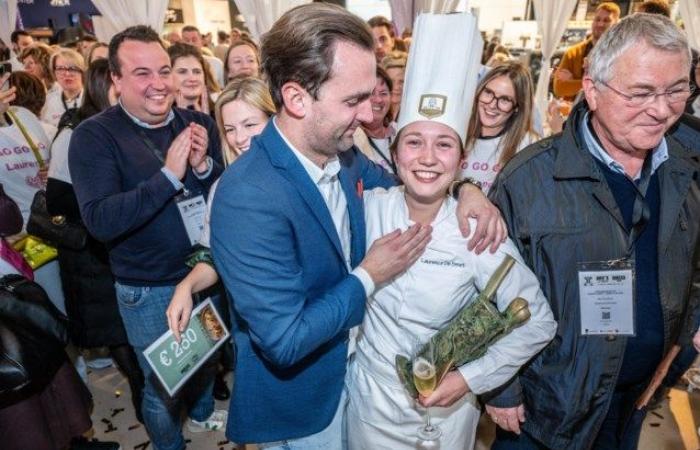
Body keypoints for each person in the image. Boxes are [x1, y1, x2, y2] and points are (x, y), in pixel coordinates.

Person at [210, 4, 506, 448]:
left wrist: (466, 187)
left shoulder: (343, 154)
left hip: (358, 383)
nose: (370, 115)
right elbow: (285, 341)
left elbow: (407, 181)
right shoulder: (247, 195)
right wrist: (370, 274)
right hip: (304, 407)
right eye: (353, 100)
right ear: (296, 98)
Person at [487, 14, 700, 450]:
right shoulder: (529, 180)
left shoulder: (689, 163)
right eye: (641, 92)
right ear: (593, 90)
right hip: (545, 409)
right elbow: (486, 292)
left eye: (677, 90)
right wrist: (500, 388)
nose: (661, 110)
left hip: (638, 398)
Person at [346, 12, 556, 450]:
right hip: (370, 401)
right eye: (414, 142)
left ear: (460, 159)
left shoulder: (475, 229)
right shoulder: (368, 209)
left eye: (443, 144)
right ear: (395, 152)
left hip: (443, 417)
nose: (427, 157)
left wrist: (468, 379)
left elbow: (538, 321)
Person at [68, 25, 226, 450]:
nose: (158, 84)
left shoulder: (198, 123)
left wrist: (205, 168)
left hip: (206, 274)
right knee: (163, 386)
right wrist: (167, 177)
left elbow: (224, 202)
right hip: (149, 288)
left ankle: (203, 413)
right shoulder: (94, 136)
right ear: (115, 80)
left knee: (208, 358)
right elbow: (100, 220)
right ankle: (168, 444)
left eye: (164, 70)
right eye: (142, 73)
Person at [46, 58, 145, 424]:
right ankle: (144, 403)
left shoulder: (131, 127)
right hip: (92, 254)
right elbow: (56, 198)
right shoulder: (77, 129)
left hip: (123, 248)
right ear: (105, 86)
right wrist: (108, 198)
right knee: (120, 338)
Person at [461, 61, 539, 193]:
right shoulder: (457, 132)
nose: (492, 105)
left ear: (517, 107)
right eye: (488, 93)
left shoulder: (528, 145)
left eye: (505, 100)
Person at [553, 2, 620, 101]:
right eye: (597, 19)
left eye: (606, 20)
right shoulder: (573, 53)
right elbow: (559, 88)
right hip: (574, 113)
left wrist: (574, 82)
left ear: (616, 24)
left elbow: (617, 90)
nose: (600, 24)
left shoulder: (620, 55)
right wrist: (596, 86)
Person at [352, 67, 396, 173]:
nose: (378, 99)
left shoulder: (400, 132)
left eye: (383, 93)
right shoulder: (350, 138)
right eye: (371, 93)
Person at [168, 42, 221, 114]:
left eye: (197, 72)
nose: (192, 78)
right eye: (182, 72)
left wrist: (208, 122)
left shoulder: (222, 111)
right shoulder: (158, 117)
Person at [41, 48, 85, 127]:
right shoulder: (47, 102)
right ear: (54, 73)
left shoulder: (93, 99)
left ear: (82, 71)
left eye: (72, 69)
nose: (67, 74)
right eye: (60, 69)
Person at [380, 50, 407, 120]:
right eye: (390, 81)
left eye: (401, 81)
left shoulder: (415, 114)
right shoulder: (372, 113)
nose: (396, 87)